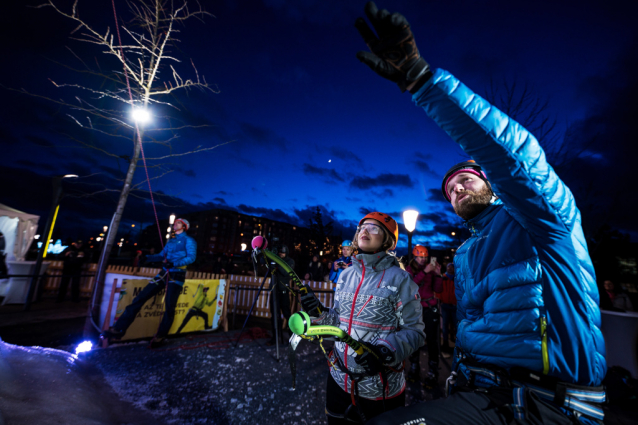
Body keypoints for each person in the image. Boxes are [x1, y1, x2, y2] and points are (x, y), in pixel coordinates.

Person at [354, 3, 607, 424]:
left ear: (492, 185)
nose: (456, 187)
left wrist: (421, 80)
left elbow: (517, 161)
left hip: (548, 403)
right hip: (478, 392)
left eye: (467, 179)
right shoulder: (469, 251)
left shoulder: (541, 222)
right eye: (450, 189)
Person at [300, 212, 425, 424]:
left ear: (388, 240)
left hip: (379, 388)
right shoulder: (346, 275)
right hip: (339, 380)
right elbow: (339, 320)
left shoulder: (401, 279)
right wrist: (320, 313)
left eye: (373, 228)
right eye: (362, 227)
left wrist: (385, 350)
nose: (364, 231)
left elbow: (415, 331)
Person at [101, 218, 196, 348]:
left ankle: (160, 336)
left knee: (169, 307)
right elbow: (161, 255)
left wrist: (174, 263)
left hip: (176, 276)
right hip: (163, 274)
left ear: (185, 227)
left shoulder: (189, 240)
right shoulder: (171, 241)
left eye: (179, 223)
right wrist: (148, 257)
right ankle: (118, 329)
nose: (175, 224)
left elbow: (191, 258)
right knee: (140, 298)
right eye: (175, 222)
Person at [405, 245, 442, 387]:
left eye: (425, 257)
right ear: (415, 257)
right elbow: (411, 286)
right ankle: (414, 368)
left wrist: (438, 274)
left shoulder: (430, 270)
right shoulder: (410, 270)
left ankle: (433, 372)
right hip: (415, 310)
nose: (423, 259)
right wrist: (425, 272)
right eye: (420, 257)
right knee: (415, 339)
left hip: (429, 308)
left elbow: (438, 289)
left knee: (432, 341)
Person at [266, 244, 295, 346]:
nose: (281, 254)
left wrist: (277, 263)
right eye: (279, 253)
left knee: (287, 314)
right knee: (274, 315)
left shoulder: (290, 262)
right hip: (275, 290)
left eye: (283, 252)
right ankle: (274, 338)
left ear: (286, 253)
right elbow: (264, 264)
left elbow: (285, 272)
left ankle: (292, 337)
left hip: (284, 292)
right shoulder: (276, 260)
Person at [436, 263, 457, 357]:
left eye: (451, 267)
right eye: (448, 267)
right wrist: (440, 300)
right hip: (445, 305)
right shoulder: (443, 278)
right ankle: (445, 344)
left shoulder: (456, 278)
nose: (450, 269)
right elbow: (439, 289)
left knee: (456, 326)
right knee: (445, 326)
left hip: (454, 305)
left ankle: (457, 344)